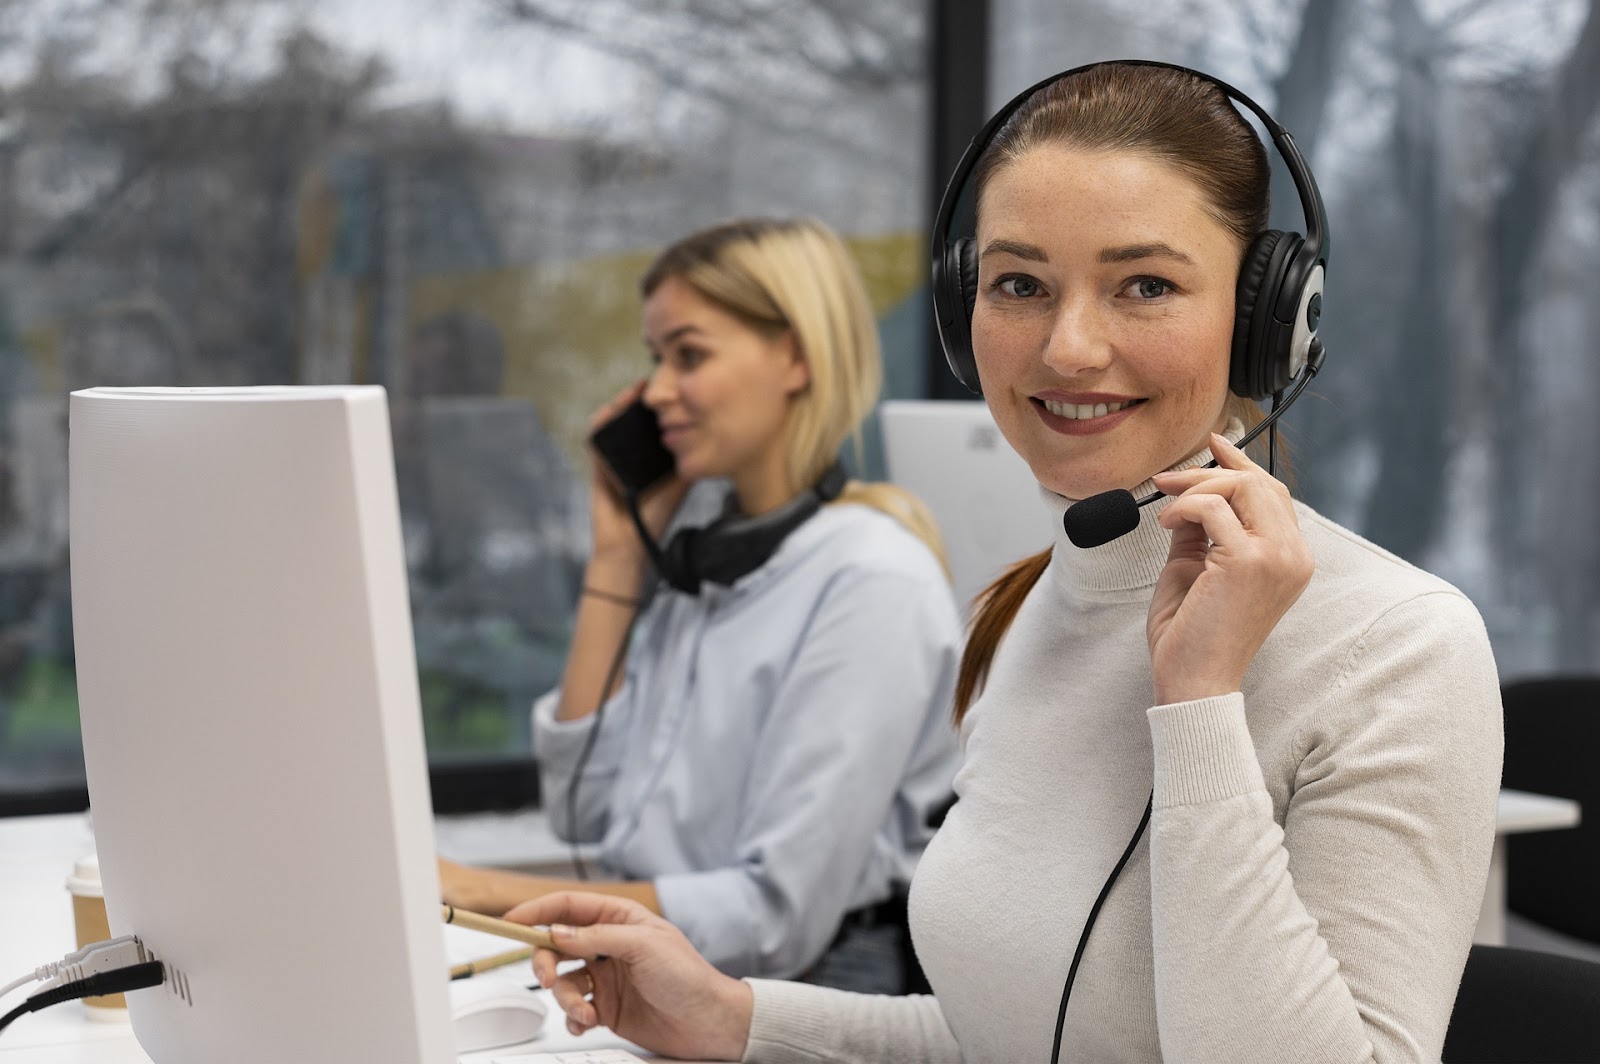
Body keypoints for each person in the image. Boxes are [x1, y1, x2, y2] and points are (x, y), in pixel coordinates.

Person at [498, 61, 1504, 1063]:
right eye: (1019, 283)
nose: (1066, 347)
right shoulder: (1031, 608)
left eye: (1144, 284)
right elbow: (1014, 1030)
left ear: (1265, 322)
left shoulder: (1397, 647)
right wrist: (734, 1018)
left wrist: (1200, 700)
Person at [439, 217, 963, 991]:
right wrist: (618, 556)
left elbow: (771, 919)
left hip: (807, 991)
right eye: (656, 360)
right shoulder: (705, 565)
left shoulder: (871, 579)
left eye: (689, 355)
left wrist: (488, 892)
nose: (655, 393)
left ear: (794, 355)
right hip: (664, 971)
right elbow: (580, 811)